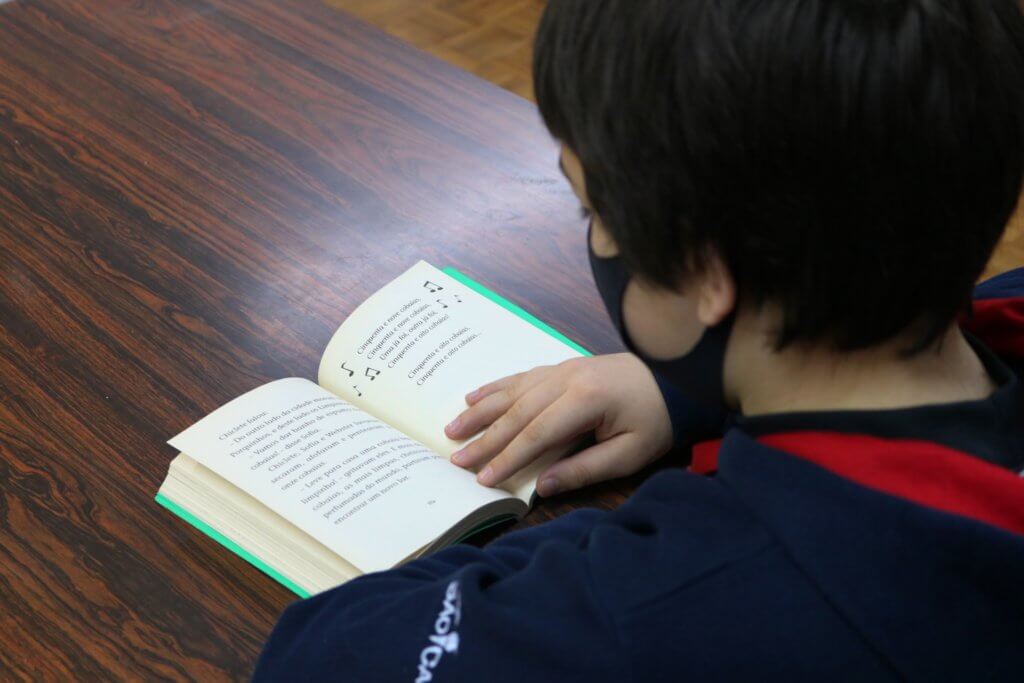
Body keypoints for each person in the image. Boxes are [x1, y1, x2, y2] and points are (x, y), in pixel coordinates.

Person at [253, 0, 1024, 679]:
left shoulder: (668, 604)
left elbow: (322, 654)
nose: (598, 237)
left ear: (704, 273)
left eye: (595, 214)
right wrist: (682, 386)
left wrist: (602, 566)